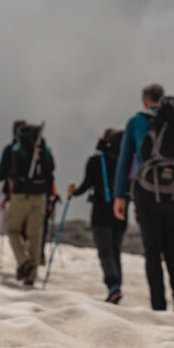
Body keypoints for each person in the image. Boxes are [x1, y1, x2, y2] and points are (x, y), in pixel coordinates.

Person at [113, 84, 174, 314]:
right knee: (172, 246)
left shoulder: (137, 122)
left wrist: (120, 196)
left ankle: (158, 306)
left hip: (145, 191)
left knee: (152, 250)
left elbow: (125, 160)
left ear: (145, 101)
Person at [0, 122, 55, 286]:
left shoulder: (11, 149)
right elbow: (51, 172)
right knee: (35, 235)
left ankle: (24, 262)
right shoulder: (42, 149)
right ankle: (31, 277)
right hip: (40, 197)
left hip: (19, 196)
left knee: (12, 230)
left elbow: (0, 175)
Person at [67, 129, 127, 303]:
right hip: (121, 211)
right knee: (115, 250)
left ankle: (113, 285)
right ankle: (117, 286)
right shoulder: (125, 162)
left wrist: (74, 192)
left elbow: (86, 185)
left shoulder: (95, 161)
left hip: (101, 210)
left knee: (105, 251)